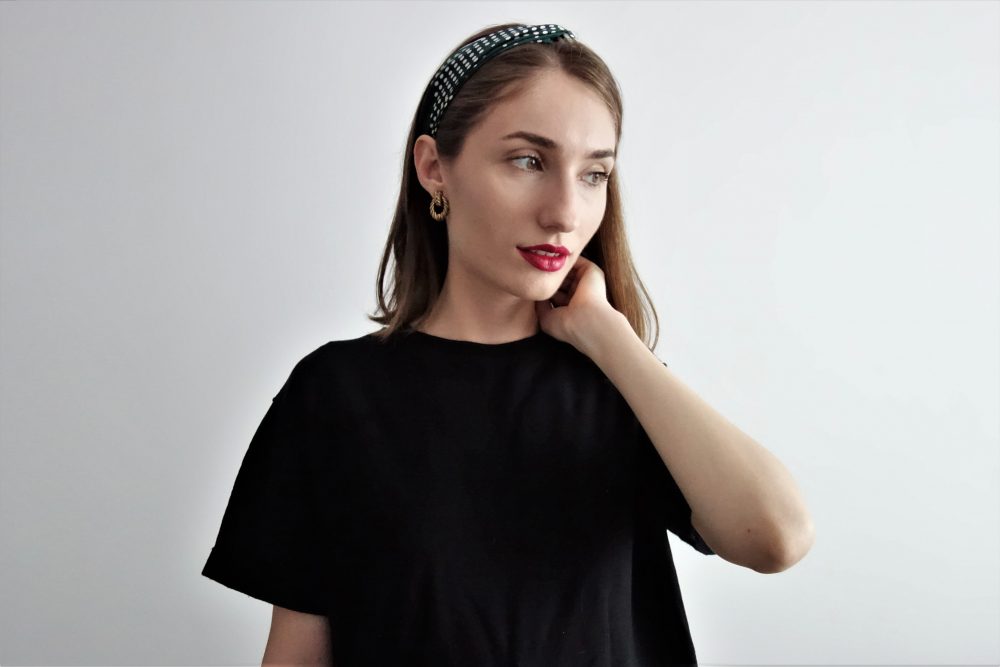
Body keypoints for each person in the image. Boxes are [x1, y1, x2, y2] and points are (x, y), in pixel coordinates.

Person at [202, 22, 814, 667]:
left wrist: (609, 335)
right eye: (528, 161)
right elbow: (298, 653)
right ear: (434, 168)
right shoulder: (335, 394)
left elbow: (777, 538)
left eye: (594, 174)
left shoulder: (616, 384)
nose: (565, 212)